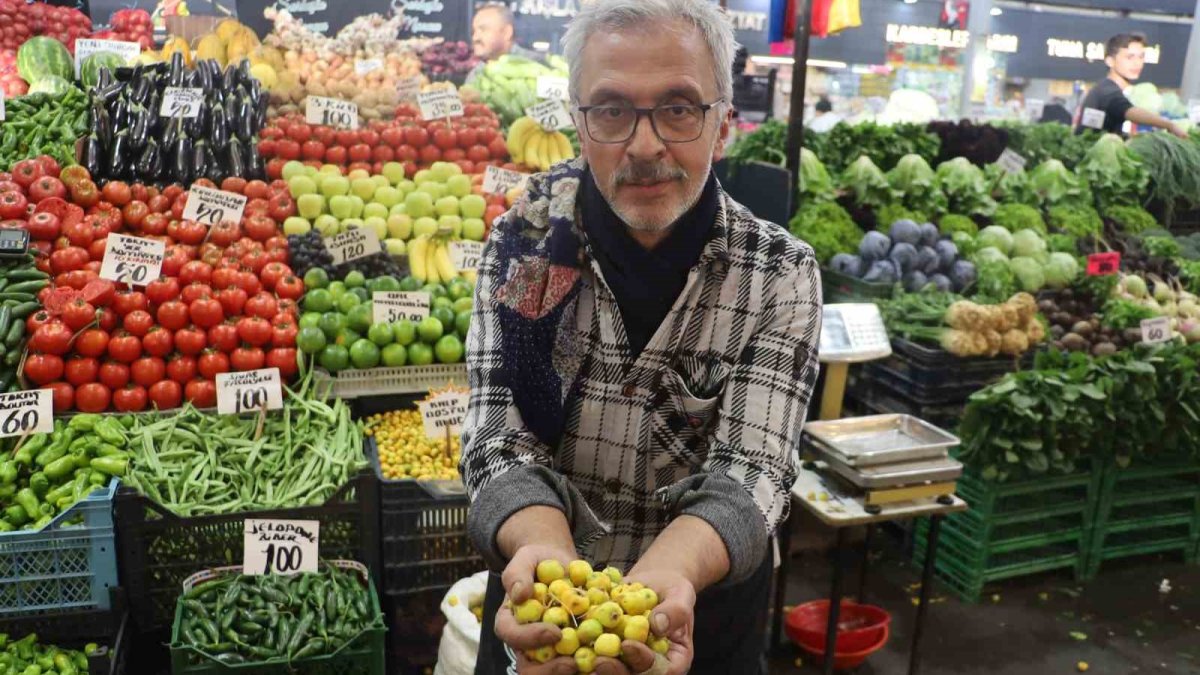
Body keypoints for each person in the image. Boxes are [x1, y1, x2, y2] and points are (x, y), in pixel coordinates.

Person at [459, 0, 823, 673]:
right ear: (577, 119)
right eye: (612, 109)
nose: (647, 144)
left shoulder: (777, 272)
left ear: (721, 122)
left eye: (680, 108)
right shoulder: (529, 244)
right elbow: (497, 436)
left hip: (698, 616)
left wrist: (667, 580)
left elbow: (754, 467)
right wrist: (545, 557)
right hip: (541, 610)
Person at [1075, 32, 1186, 137]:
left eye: (1141, 57)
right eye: (1130, 57)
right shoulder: (1107, 91)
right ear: (1110, 61)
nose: (1137, 63)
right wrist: (1169, 125)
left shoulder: (1105, 87)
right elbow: (1129, 111)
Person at [471, 4, 543, 63]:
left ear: (507, 33)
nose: (475, 38)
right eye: (473, 31)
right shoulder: (478, 71)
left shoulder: (535, 65)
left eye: (483, 29)